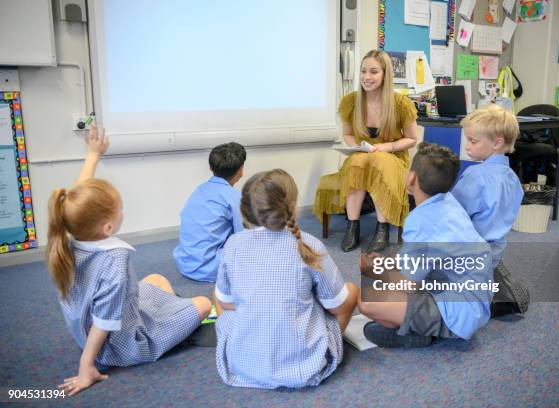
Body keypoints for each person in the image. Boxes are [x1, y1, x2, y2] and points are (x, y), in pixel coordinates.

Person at [46, 125, 211, 396]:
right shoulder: (115, 261)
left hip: (103, 324)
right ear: (108, 228)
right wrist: (86, 366)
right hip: (121, 345)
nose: (123, 211)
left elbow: (79, 197)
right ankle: (167, 327)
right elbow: (104, 321)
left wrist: (93, 156)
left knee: (157, 279)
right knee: (204, 304)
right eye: (120, 209)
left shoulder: (69, 234)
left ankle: (170, 316)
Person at [214, 169, 359, 389]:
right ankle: (323, 350)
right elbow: (338, 307)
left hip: (243, 366)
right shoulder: (309, 245)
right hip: (306, 367)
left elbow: (226, 303)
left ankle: (246, 346)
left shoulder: (233, 244)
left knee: (218, 296)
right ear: (292, 205)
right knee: (350, 290)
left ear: (245, 209)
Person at [359, 143, 493, 347]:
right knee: (388, 274)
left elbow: (408, 284)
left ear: (411, 178)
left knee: (367, 301)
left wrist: (376, 272)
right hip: (475, 301)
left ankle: (420, 332)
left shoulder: (420, 221)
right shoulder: (449, 201)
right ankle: (415, 325)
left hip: (457, 315)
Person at [313, 50, 418, 253]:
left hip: (393, 157)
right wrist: (357, 147)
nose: (366, 77)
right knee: (356, 162)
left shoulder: (401, 104)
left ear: (385, 75)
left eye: (373, 72)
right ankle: (353, 226)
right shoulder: (351, 101)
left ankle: (382, 228)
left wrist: (386, 147)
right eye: (363, 71)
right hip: (362, 156)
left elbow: (412, 139)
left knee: (379, 161)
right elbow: (348, 134)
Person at [452, 104, 530, 316]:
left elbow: (454, 214)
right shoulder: (512, 177)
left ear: (497, 143)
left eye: (473, 141)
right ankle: (491, 281)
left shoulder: (476, 175)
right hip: (496, 248)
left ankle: (479, 294)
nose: (467, 146)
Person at [173, 142, 246, 282]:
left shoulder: (199, 190)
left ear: (211, 168)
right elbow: (244, 237)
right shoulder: (235, 197)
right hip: (209, 268)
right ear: (241, 170)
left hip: (184, 263)